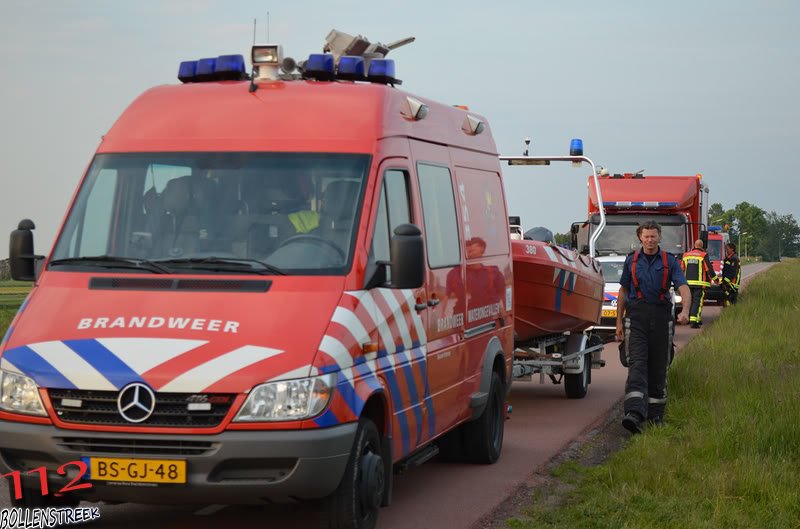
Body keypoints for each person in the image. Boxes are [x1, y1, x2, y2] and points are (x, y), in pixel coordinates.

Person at [615, 220, 691, 434]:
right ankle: (634, 414)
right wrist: (618, 322)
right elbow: (623, 291)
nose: (650, 240)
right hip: (636, 317)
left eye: (653, 236)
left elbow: (683, 287)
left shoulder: (670, 261)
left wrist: (685, 310)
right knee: (637, 363)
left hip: (661, 318)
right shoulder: (631, 261)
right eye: (646, 236)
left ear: (659, 237)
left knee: (659, 366)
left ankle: (656, 415)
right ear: (640, 237)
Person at [680, 239, 718, 328]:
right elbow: (709, 270)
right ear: (702, 246)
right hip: (699, 284)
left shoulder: (686, 255)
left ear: (694, 245)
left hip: (687, 284)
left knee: (689, 301)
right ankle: (694, 321)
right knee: (697, 301)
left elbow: (681, 269)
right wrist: (717, 281)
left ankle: (695, 319)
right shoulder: (703, 255)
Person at [721, 242, 741, 306]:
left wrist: (725, 281)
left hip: (732, 282)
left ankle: (732, 309)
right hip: (729, 282)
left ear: (732, 249)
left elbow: (732, 272)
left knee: (731, 297)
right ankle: (729, 309)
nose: (726, 250)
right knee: (726, 295)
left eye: (728, 249)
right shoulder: (729, 258)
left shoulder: (734, 259)